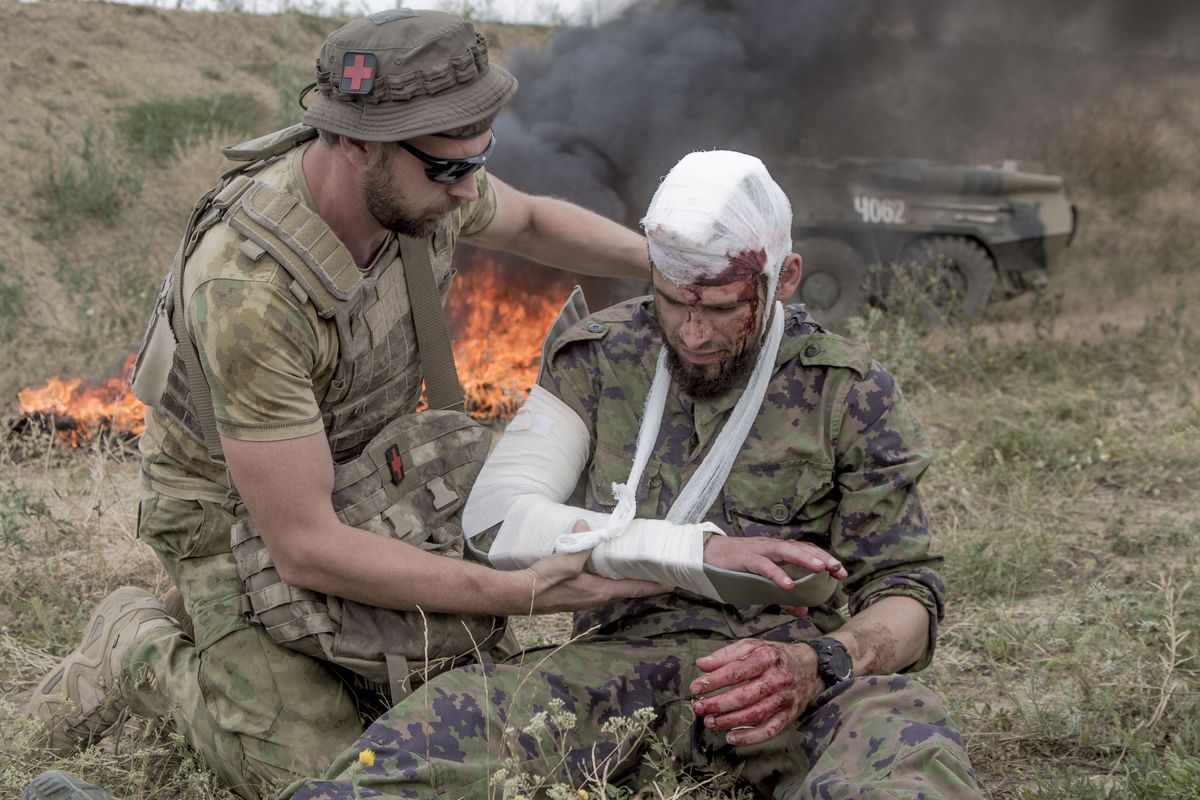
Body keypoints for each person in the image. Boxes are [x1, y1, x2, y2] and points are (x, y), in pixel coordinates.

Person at [23, 10, 661, 800]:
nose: (466, 191)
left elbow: (528, 220)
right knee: (316, 774)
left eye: (477, 162)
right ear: (355, 140)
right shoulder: (249, 288)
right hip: (232, 518)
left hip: (368, 480)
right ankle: (139, 642)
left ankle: (244, 636)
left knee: (447, 734)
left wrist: (661, 260)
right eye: (445, 171)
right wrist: (517, 594)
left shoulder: (427, 174)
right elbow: (305, 545)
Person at [270, 150, 982, 797]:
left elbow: (908, 594)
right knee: (436, 728)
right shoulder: (601, 358)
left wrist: (826, 662)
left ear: (783, 278)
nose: (693, 333)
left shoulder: (851, 392)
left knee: (907, 738)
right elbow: (500, 519)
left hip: (788, 681)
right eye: (674, 301)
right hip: (613, 674)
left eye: (721, 307)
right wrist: (692, 552)